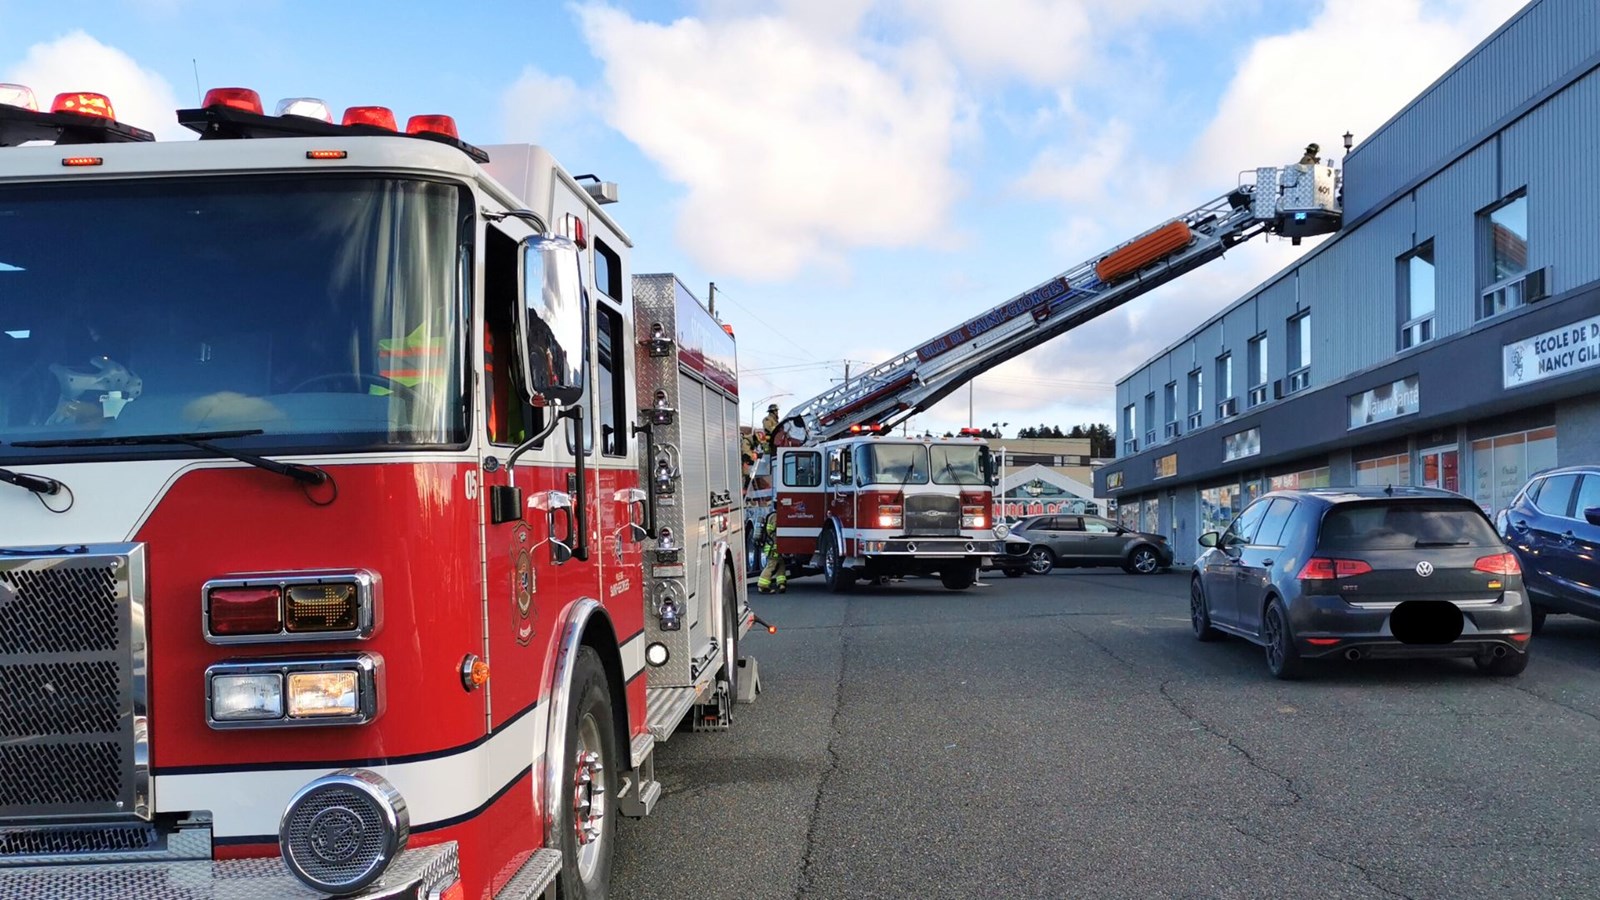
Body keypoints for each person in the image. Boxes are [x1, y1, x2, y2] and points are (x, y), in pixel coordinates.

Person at [756, 511, 786, 594]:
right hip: (773, 546)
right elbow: (773, 531)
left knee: (781, 563)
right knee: (772, 564)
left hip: (774, 545)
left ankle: (781, 583)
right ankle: (762, 585)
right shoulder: (774, 516)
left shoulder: (773, 515)